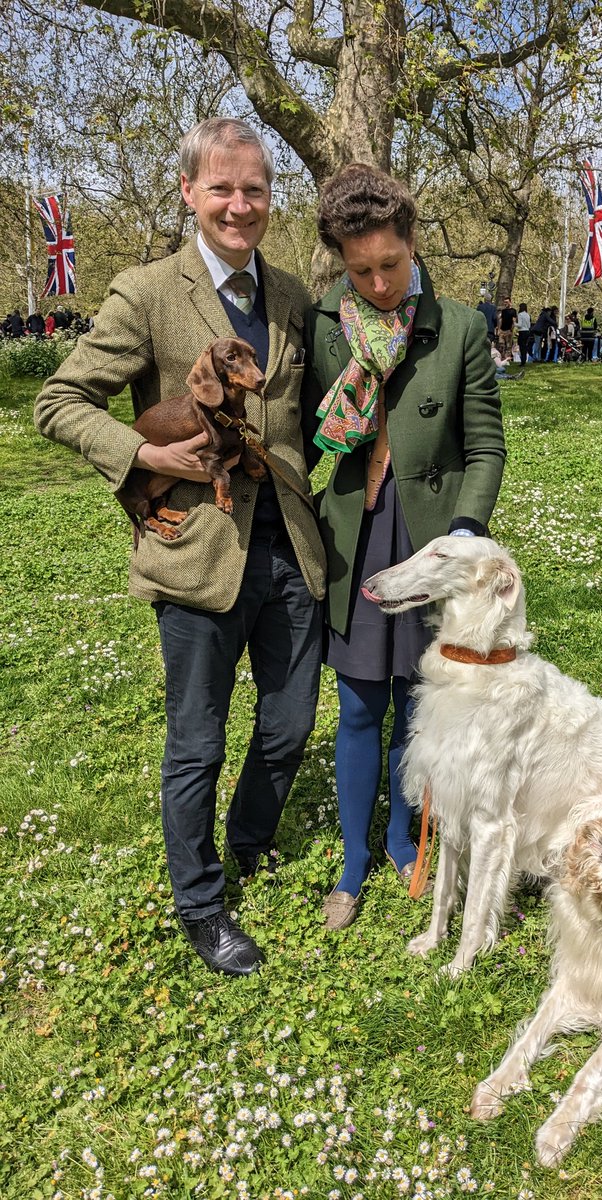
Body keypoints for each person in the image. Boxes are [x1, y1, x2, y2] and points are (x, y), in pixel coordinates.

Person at [34, 118, 326, 977]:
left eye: (255, 190)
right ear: (191, 195)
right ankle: (201, 904)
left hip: (291, 550)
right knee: (197, 742)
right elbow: (59, 400)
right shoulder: (147, 292)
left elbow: (302, 416)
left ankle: (251, 839)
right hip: (199, 553)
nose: (240, 205)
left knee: (289, 723)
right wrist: (145, 456)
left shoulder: (292, 299)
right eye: (223, 189)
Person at [302, 163, 506, 930]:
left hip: (430, 546)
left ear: (412, 243)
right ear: (341, 264)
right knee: (359, 708)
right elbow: (298, 436)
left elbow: (484, 447)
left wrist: (465, 531)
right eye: (362, 271)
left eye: (391, 264)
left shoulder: (459, 329)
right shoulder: (323, 328)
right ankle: (353, 861)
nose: (380, 283)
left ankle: (401, 838)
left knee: (418, 706)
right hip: (357, 537)